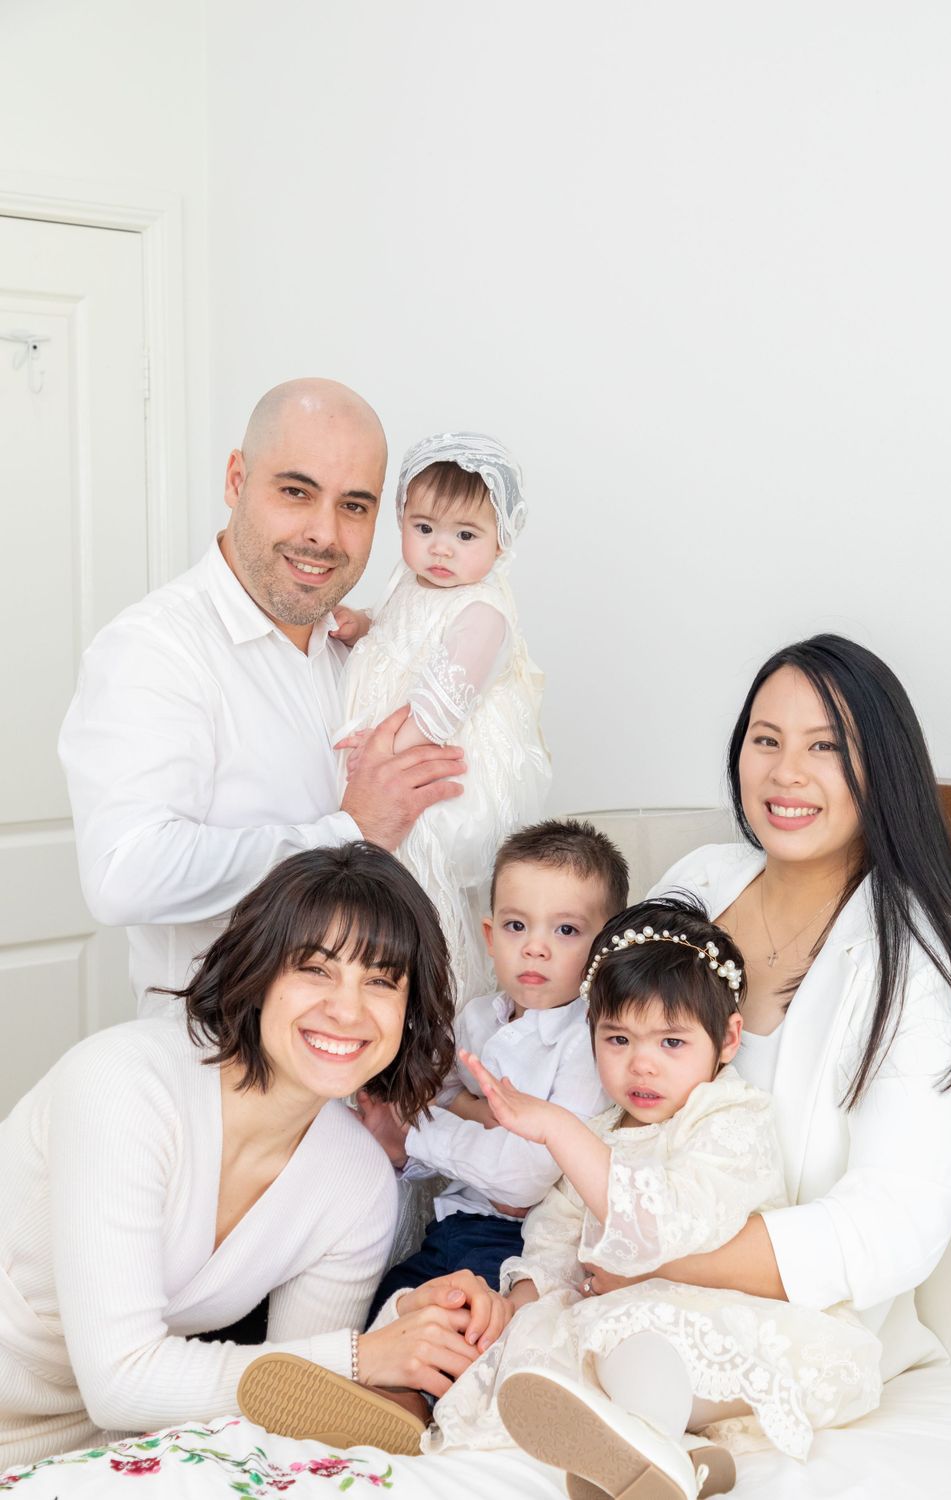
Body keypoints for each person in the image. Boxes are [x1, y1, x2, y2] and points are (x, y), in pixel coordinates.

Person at [571, 636, 951, 1455]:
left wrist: (654, 1259)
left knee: (625, 1363)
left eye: (825, 747)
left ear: (885, 771)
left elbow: (890, 1224)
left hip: (792, 1319)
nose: (785, 773)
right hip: (610, 1259)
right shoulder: (697, 884)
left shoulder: (933, 970)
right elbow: (599, 1070)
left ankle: (653, 1440)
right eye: (765, 740)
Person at [0, 844, 510, 1471]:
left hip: (122, 1448)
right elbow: (119, 1382)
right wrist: (364, 1354)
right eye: (316, 970)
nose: (348, 1009)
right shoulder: (125, 1085)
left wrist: (406, 1325)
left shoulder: (355, 1181)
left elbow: (289, 1406)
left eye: (380, 981)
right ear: (259, 974)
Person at [415, 897, 883, 1500]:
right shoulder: (605, 1130)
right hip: (614, 1324)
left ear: (728, 1038)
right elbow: (553, 1235)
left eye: (671, 1043)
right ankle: (673, 1454)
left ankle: (644, 1442)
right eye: (617, 1039)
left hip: (716, 1319)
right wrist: (526, 1303)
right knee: (530, 1342)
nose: (642, 1065)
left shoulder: (729, 1118)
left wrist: (558, 1128)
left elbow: (674, 1218)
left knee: (635, 1341)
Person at [58, 380, 465, 1011]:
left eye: (354, 506)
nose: (323, 534)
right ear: (236, 479)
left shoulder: (358, 649)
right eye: (296, 492)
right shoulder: (154, 648)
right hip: (218, 1070)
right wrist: (348, 833)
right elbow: (125, 873)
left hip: (366, 1065)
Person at [357, 818, 629, 1318]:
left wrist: (411, 1138)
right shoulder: (478, 1017)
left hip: (521, 1244)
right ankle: (379, 1390)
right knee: (386, 1308)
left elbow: (522, 1182)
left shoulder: (592, 1043)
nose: (534, 947)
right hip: (454, 1219)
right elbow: (431, 1094)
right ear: (490, 935)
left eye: (566, 929)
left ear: (605, 946)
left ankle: (414, 1396)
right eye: (516, 925)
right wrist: (477, 1112)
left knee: (463, 1331)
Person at [333, 433, 551, 1002]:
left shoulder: (481, 613)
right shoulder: (414, 583)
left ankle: (436, 1010)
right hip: (396, 757)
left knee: (421, 887)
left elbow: (438, 707)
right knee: (380, 887)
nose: (440, 550)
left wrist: (381, 752)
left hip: (430, 764)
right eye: (424, 528)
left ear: (502, 542)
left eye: (465, 535)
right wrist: (362, 624)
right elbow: (395, 623)